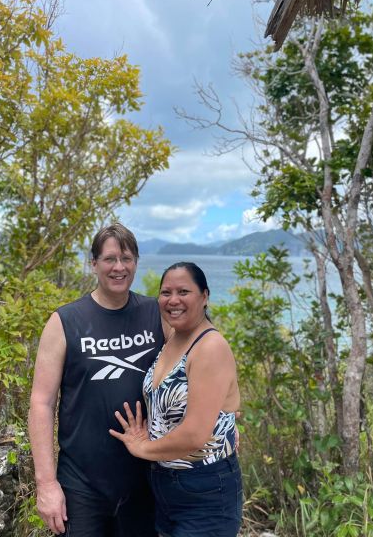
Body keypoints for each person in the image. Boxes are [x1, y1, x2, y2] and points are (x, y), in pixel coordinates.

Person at [28, 223, 167, 537]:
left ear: (136, 262)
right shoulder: (66, 321)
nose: (119, 267)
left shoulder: (154, 314)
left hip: (144, 478)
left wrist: (222, 415)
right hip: (82, 484)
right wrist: (47, 484)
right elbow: (41, 402)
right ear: (93, 264)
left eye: (127, 258)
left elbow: (201, 355)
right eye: (109, 259)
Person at [110, 261, 242, 537]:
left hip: (204, 487)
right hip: (165, 484)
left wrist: (142, 448)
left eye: (184, 291)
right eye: (166, 292)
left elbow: (194, 434)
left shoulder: (210, 347)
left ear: (205, 296)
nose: (173, 300)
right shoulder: (174, 336)